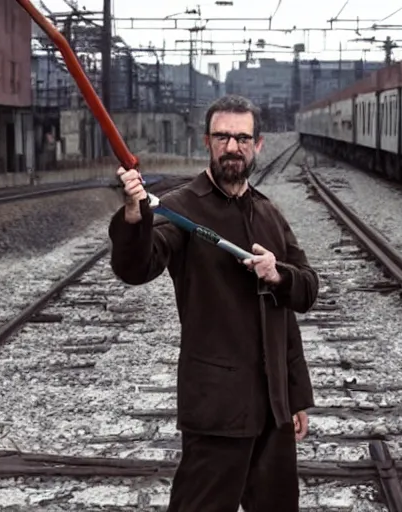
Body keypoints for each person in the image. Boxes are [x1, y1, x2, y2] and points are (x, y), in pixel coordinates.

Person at [107, 94, 319, 512]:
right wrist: (135, 216)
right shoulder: (181, 208)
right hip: (217, 410)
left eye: (242, 138)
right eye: (222, 137)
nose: (232, 147)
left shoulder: (268, 213)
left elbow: (304, 294)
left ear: (258, 145)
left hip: (273, 412)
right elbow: (137, 266)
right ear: (207, 141)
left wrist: (295, 396)